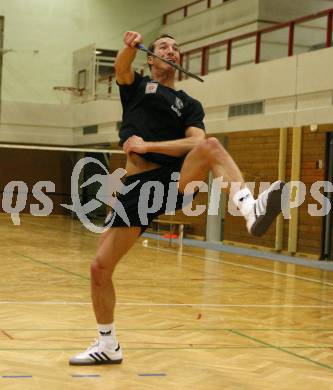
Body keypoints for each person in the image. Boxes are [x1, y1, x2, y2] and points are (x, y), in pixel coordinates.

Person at [69, 31, 285, 365]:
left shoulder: (189, 104)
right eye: (164, 47)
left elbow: (194, 143)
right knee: (99, 268)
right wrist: (128, 46)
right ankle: (107, 343)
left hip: (172, 181)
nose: (172, 50)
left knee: (210, 146)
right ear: (151, 58)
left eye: (176, 47)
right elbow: (122, 67)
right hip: (137, 189)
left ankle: (249, 208)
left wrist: (148, 146)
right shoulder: (137, 88)